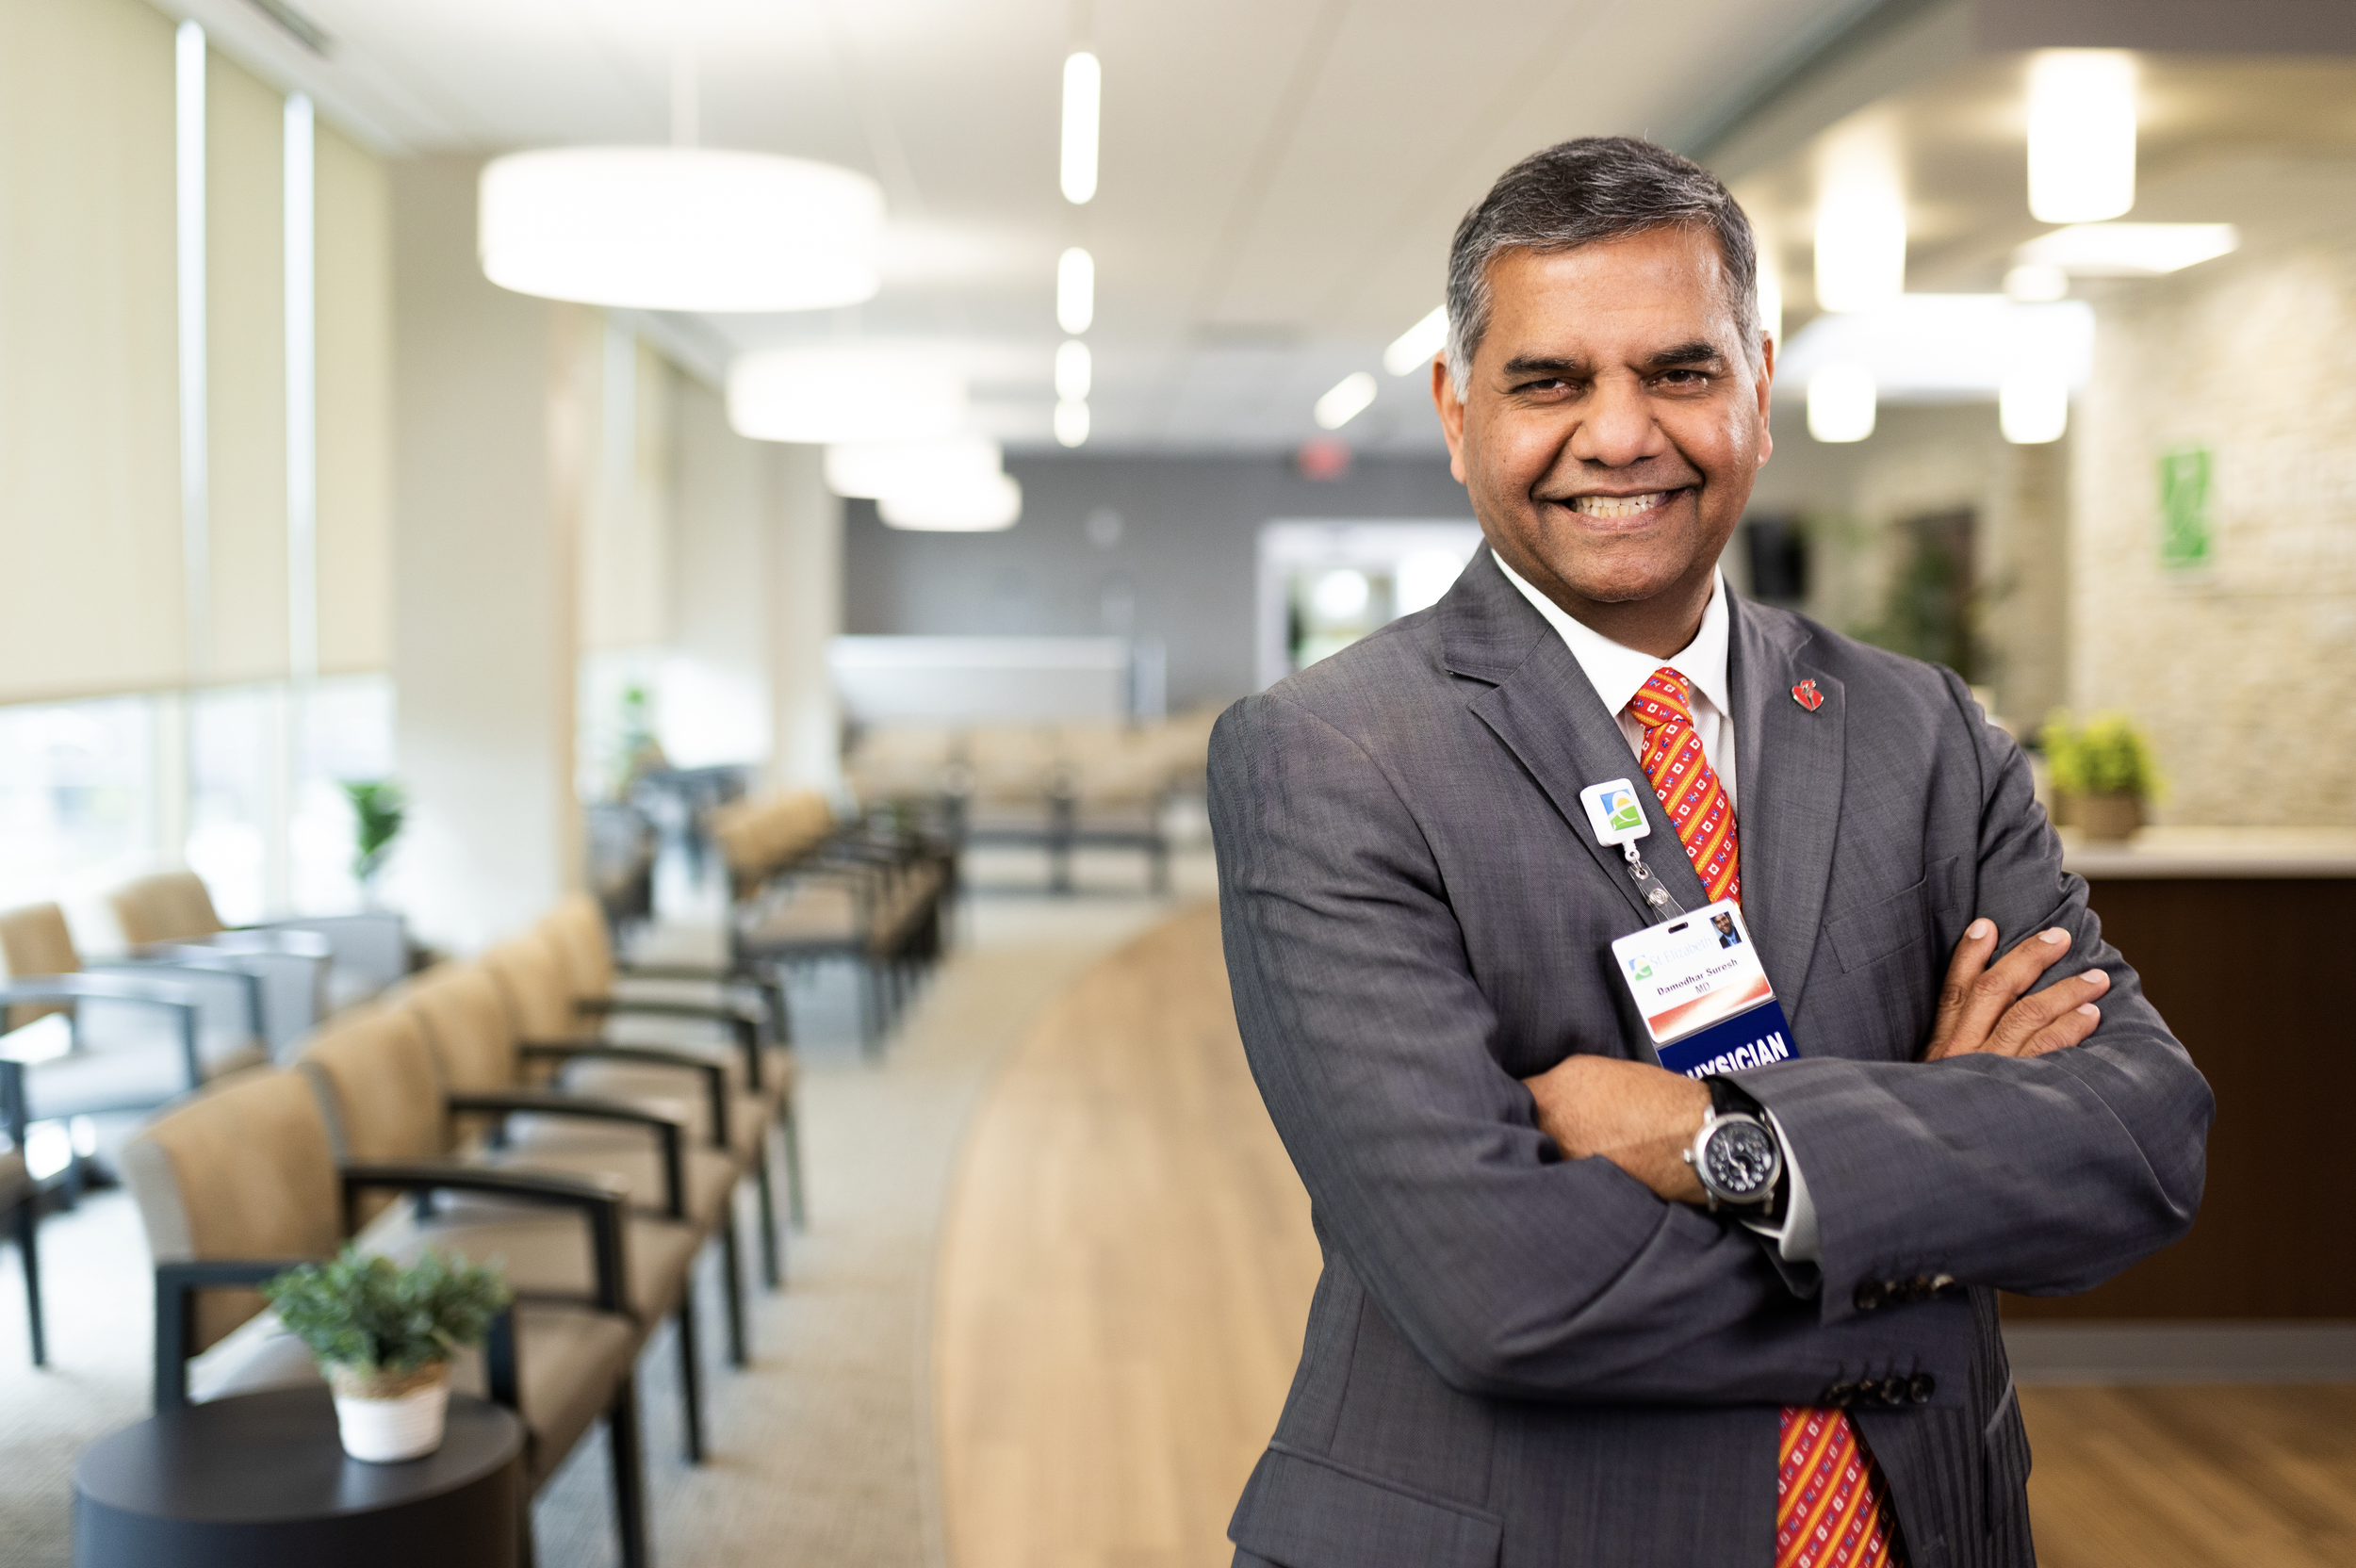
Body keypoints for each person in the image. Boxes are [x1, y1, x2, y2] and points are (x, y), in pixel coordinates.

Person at [1207, 137, 2211, 1568]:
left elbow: (2141, 1141)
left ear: (1759, 385)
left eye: (1679, 371)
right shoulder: (1330, 756)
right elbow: (1495, 1288)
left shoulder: (1924, 732)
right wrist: (1921, 1207)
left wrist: (1717, 1146)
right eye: (1551, 381)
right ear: (1454, 408)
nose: (1620, 435)